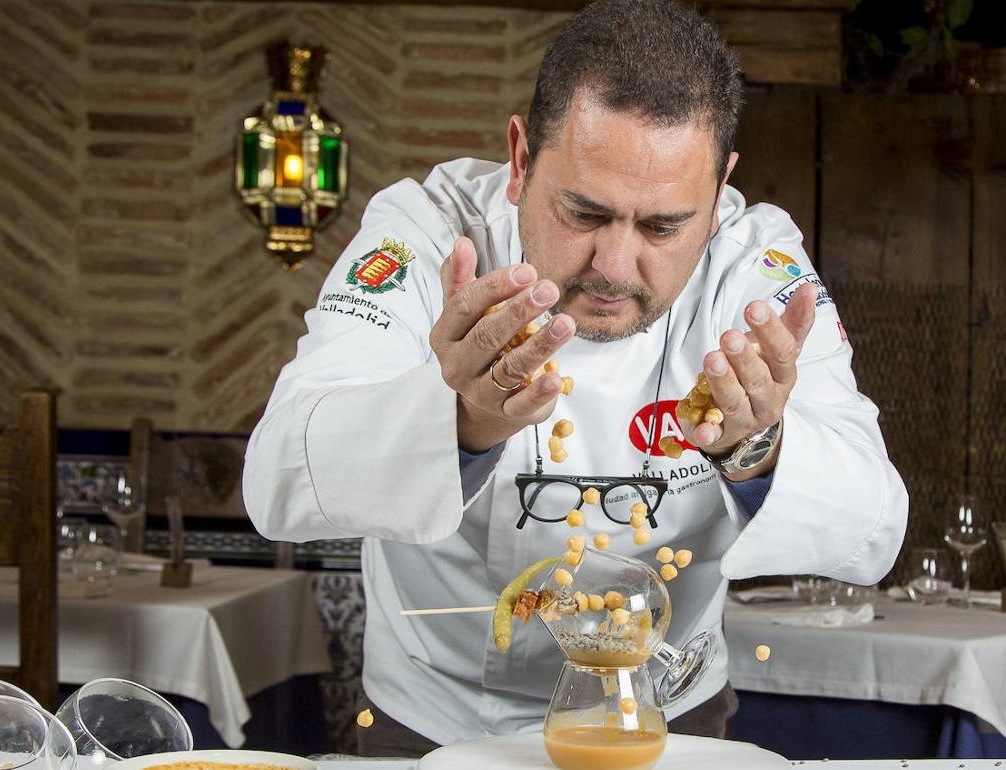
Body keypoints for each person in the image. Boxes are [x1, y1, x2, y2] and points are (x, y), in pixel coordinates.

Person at [244, 0, 907, 757]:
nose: (615, 268)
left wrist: (756, 448)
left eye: (663, 226)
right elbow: (278, 479)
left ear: (721, 187)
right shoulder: (425, 232)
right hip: (437, 724)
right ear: (521, 158)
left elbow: (873, 529)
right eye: (585, 213)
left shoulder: (758, 271)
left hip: (665, 719)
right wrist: (460, 420)